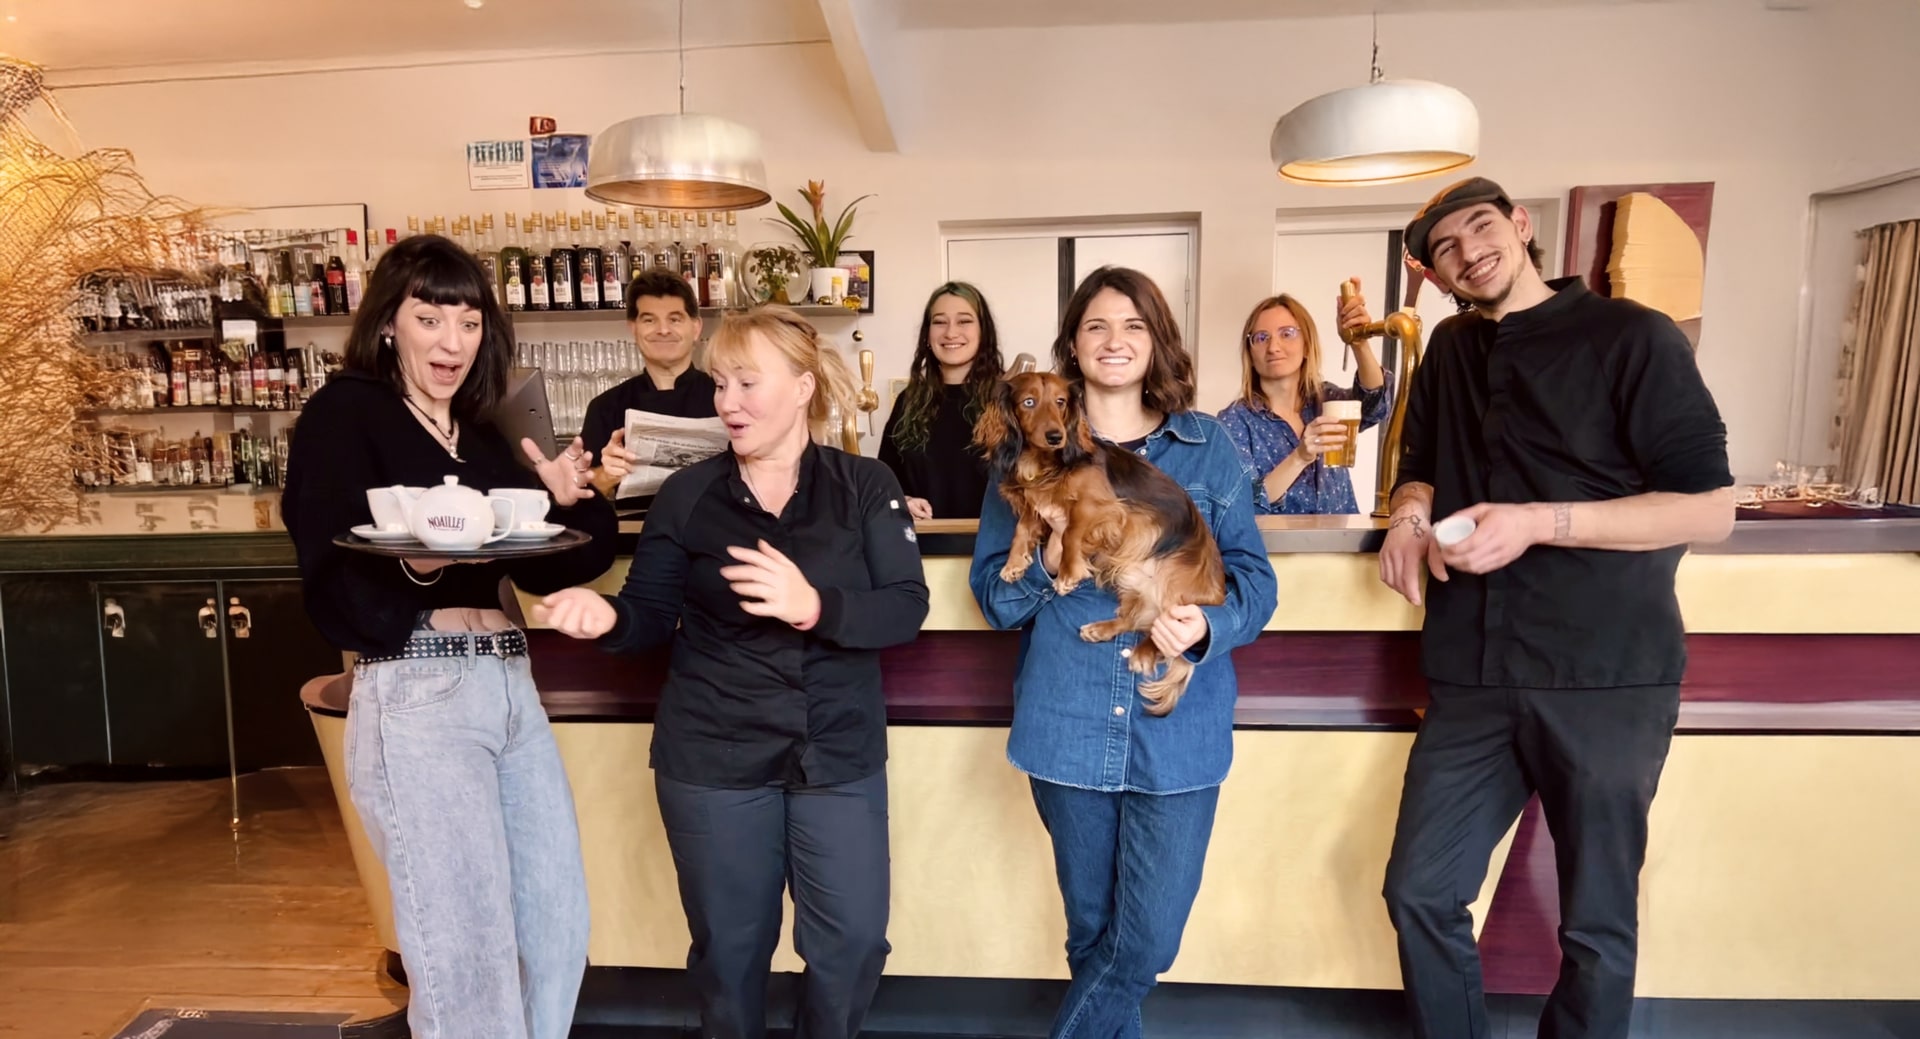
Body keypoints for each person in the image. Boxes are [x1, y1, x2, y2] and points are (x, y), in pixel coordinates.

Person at [1376, 177, 1735, 1039]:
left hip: (1607, 673)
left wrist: (1542, 522)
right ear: (1435, 272)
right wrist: (1408, 512)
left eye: (1481, 228)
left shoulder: (1633, 337)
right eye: (1448, 250)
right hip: (1473, 670)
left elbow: (1709, 508)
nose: (1470, 253)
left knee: (1596, 925)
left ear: (1521, 225)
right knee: (1420, 890)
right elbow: (1419, 460)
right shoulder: (1449, 352)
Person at [534, 306, 929, 1039]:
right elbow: (647, 612)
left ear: (804, 386)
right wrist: (608, 619)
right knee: (729, 955)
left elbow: (906, 606)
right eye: (720, 383)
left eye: (748, 382)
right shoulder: (688, 495)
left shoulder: (867, 485)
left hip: (836, 752)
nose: (727, 402)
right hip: (712, 754)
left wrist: (814, 605)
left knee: (851, 943)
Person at [282, 234, 617, 1039]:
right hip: (417, 690)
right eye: (429, 317)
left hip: (508, 684)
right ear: (390, 323)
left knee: (555, 928)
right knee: (463, 950)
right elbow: (330, 583)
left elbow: (550, 569)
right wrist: (425, 568)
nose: (451, 341)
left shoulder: (483, 433)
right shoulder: (345, 413)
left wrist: (569, 497)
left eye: (467, 322)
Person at [968, 266, 1278, 1039]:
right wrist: (1043, 555)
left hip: (1179, 729)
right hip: (1066, 718)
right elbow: (996, 600)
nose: (1115, 341)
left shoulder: (1208, 448)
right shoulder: (1024, 458)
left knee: (1145, 941)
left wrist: (1208, 629)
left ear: (1156, 341)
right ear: (1072, 344)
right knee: (1093, 936)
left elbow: (1256, 581)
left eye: (1134, 325)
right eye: (1098, 326)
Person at [1215, 286, 1393, 514]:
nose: (1273, 347)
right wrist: (1300, 456)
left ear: (1307, 345)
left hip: (1341, 545)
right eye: (1261, 338)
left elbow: (1375, 405)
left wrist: (1358, 342)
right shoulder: (1234, 422)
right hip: (1277, 549)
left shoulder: (1326, 400)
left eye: (1287, 334)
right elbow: (1243, 505)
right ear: (1250, 353)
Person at [581, 270, 719, 509]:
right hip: (634, 539)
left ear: (696, 328)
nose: (663, 330)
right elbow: (581, 498)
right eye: (649, 320)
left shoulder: (726, 397)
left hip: (717, 535)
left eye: (675, 319)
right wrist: (606, 475)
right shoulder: (605, 406)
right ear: (633, 329)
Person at [876, 281, 1003, 519]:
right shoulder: (909, 401)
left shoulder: (1007, 400)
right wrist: (906, 500)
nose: (951, 333)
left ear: (983, 331)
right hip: (923, 549)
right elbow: (885, 481)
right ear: (927, 334)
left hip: (995, 551)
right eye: (939, 322)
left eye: (964, 321)